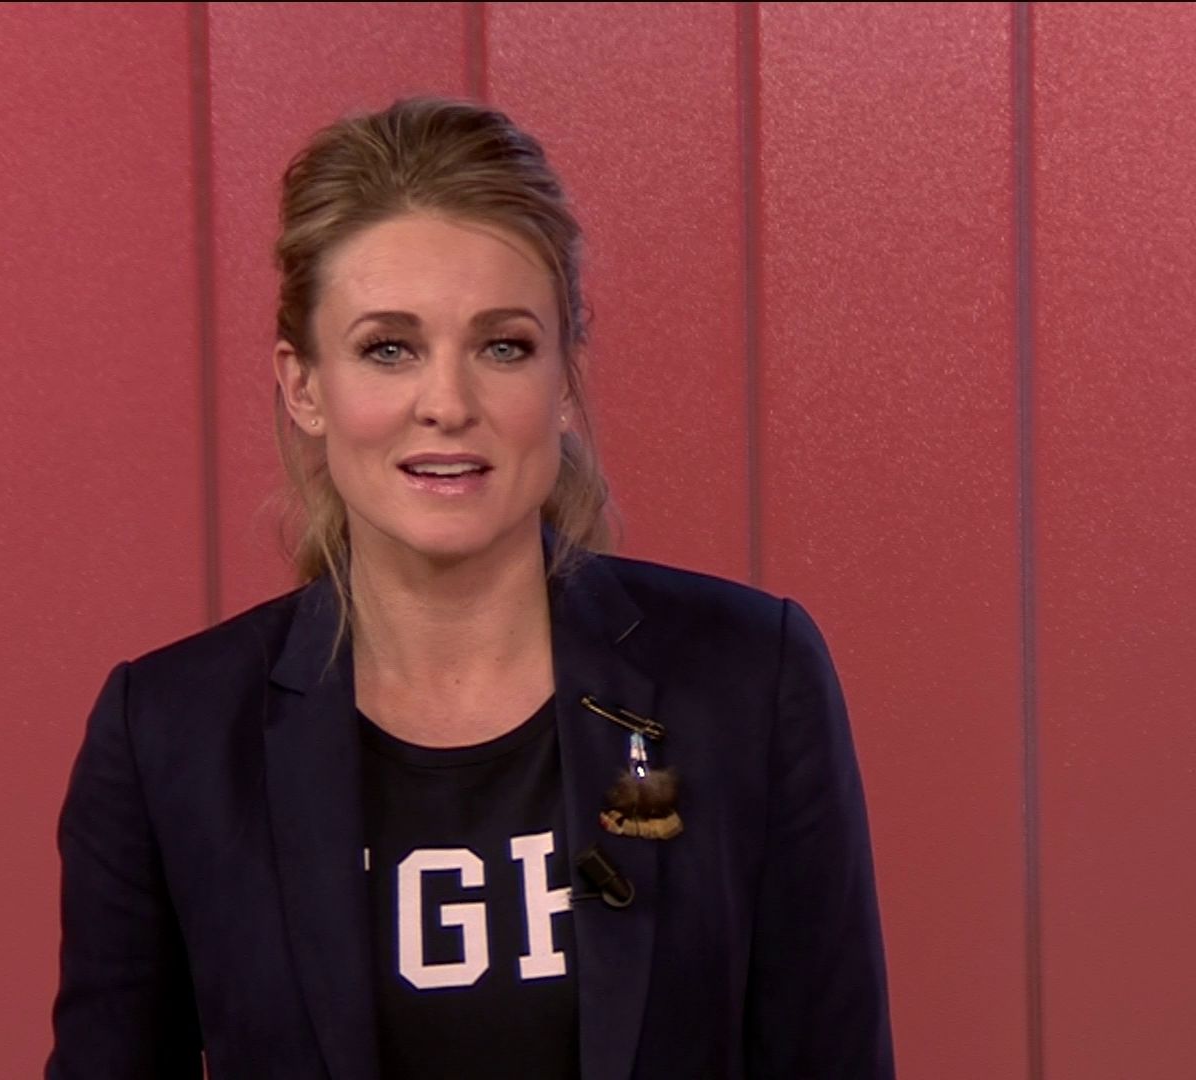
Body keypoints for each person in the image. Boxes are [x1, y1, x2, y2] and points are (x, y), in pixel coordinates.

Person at [45, 95, 893, 1080]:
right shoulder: (171, 734)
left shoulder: (750, 677)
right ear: (305, 385)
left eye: (503, 346)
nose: (447, 404)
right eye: (388, 348)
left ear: (564, 381)